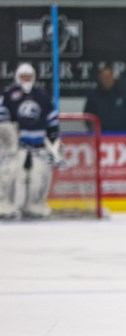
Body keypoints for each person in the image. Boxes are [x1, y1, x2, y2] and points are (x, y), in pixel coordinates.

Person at [0, 63, 61, 220]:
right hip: (15, 147)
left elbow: (52, 121)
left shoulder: (43, 96)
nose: (26, 79)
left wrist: (53, 141)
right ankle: (6, 205)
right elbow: (3, 124)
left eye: (29, 76)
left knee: (39, 177)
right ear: (17, 77)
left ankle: (35, 206)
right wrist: (8, 143)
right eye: (23, 77)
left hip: (39, 146)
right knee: (9, 175)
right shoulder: (8, 96)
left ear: (34, 77)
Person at [83, 66, 126, 132]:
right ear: (100, 79)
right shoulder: (93, 95)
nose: (107, 80)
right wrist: (94, 131)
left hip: (121, 135)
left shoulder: (121, 93)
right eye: (104, 77)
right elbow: (88, 116)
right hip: (99, 136)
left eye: (109, 77)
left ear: (112, 77)